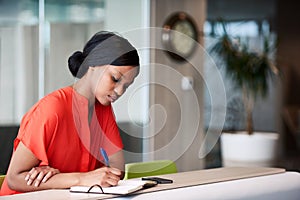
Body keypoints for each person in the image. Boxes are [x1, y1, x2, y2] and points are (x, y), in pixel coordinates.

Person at [0, 31, 140, 196]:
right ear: (92, 64)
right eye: (115, 79)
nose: (119, 91)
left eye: (126, 86)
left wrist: (60, 178)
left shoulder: (103, 109)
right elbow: (14, 179)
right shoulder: (52, 109)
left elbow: (117, 170)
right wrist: (82, 179)